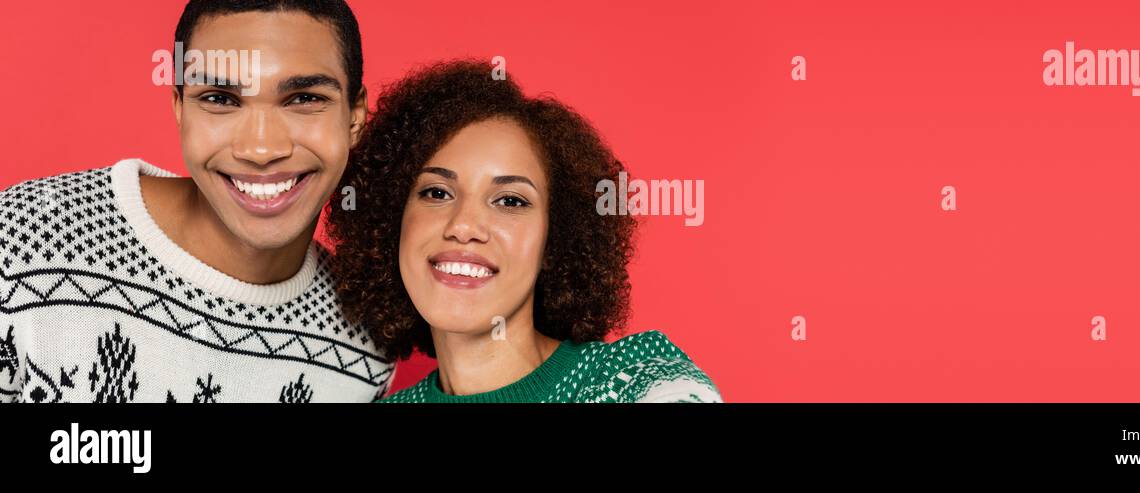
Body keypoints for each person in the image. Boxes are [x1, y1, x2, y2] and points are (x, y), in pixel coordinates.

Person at [0, 0, 393, 403]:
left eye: (304, 99)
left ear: (354, 116)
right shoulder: (23, 240)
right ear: (179, 108)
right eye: (221, 99)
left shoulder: (364, 344)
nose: (261, 148)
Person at [328, 60, 721, 403]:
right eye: (436, 192)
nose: (463, 226)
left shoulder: (634, 381)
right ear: (393, 220)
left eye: (510, 201)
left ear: (555, 240)